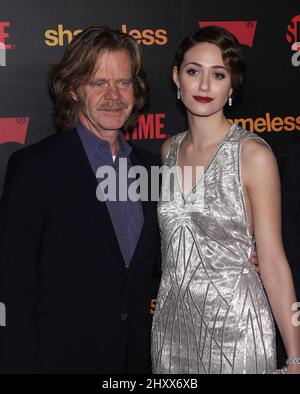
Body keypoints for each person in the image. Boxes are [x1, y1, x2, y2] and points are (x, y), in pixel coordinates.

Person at [0, 26, 162, 373]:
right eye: (98, 83)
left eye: (123, 82)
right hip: (62, 360)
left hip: (138, 361)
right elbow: (16, 287)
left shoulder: (152, 169)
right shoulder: (35, 169)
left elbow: (165, 263)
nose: (113, 95)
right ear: (73, 89)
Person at [151, 26, 300, 374]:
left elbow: (274, 262)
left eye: (218, 75)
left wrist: (295, 356)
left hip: (237, 330)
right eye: (193, 72)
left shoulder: (252, 155)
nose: (204, 86)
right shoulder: (168, 150)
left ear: (232, 84)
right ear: (176, 77)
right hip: (172, 332)